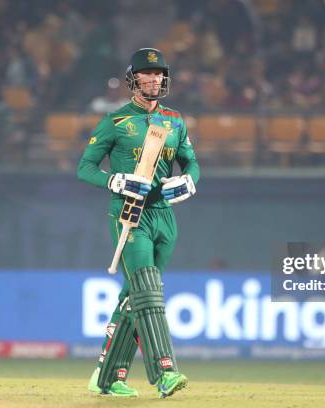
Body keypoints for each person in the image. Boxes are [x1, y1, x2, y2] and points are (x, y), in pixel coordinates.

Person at [77, 48, 199, 398]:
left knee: (134, 296)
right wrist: (114, 181)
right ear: (133, 79)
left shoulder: (174, 121)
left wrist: (188, 181)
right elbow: (84, 168)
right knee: (147, 290)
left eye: (159, 73)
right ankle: (165, 372)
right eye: (147, 73)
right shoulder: (115, 122)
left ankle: (106, 376)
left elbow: (191, 163)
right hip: (130, 215)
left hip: (165, 217)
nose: (155, 78)